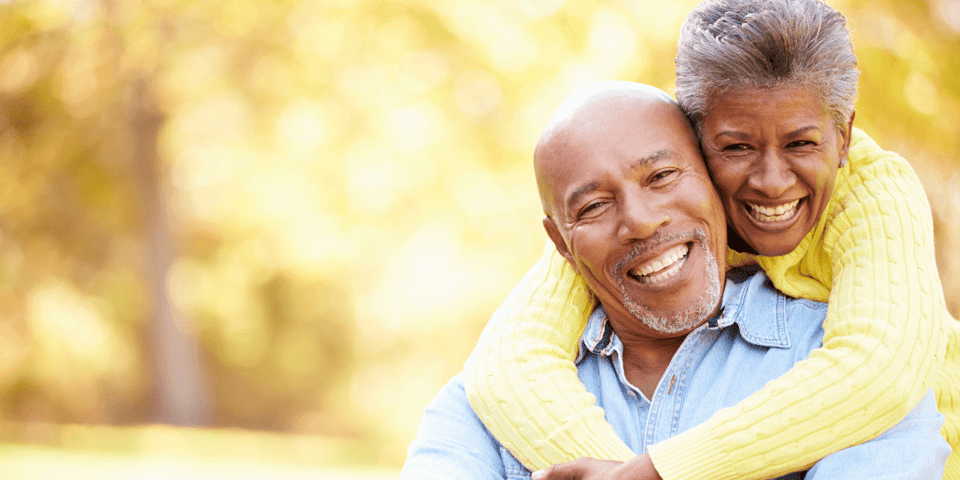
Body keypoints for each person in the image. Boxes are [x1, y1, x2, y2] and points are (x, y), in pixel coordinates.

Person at [464, 0, 960, 479]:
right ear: (695, 142)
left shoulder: (874, 195)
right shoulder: (647, 212)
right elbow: (510, 366)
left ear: (843, 139)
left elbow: (879, 374)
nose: (771, 180)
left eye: (801, 143)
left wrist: (658, 471)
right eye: (737, 147)